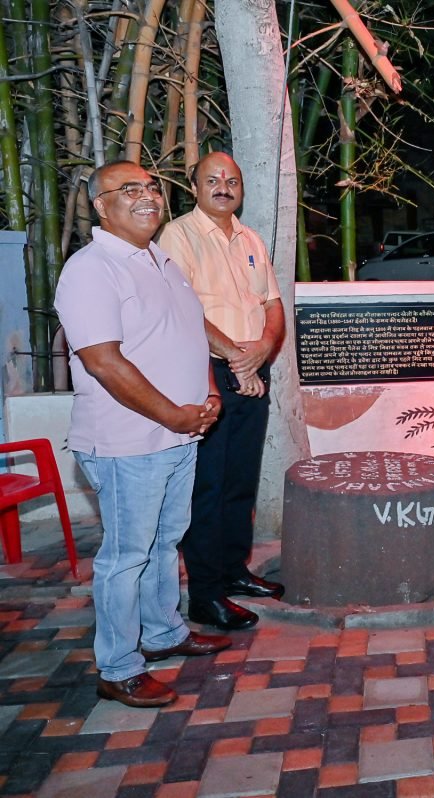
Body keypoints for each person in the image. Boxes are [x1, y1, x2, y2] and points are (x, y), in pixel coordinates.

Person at [55, 161, 231, 708]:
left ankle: (162, 633)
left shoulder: (161, 260)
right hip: (127, 441)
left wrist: (208, 394)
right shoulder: (91, 269)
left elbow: (189, 335)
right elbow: (104, 362)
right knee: (126, 555)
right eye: (129, 188)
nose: (147, 195)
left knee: (164, 541)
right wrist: (173, 415)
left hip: (178, 435)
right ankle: (118, 667)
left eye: (152, 187)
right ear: (100, 205)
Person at [157, 152, 286, 631]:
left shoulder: (250, 238)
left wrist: (263, 349)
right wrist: (237, 358)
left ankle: (234, 570)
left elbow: (272, 305)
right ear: (194, 187)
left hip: (252, 367)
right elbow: (184, 309)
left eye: (232, 180)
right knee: (207, 486)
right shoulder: (178, 235)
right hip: (208, 372)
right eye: (212, 179)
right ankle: (205, 594)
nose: (223, 187)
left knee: (240, 480)